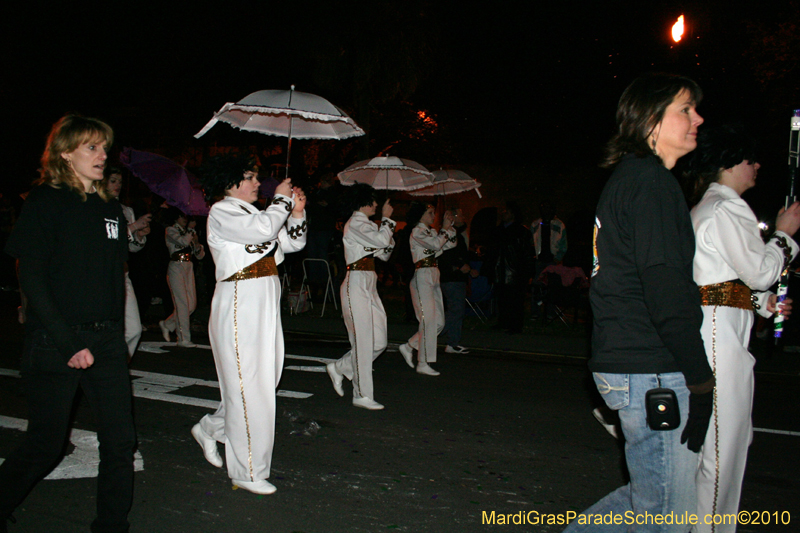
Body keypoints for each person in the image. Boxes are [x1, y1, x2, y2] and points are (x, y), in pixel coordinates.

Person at [564, 73, 715, 532]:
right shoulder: (650, 182)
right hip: (650, 366)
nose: (698, 119)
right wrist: (700, 379)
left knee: (653, 500)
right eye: (685, 109)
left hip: (632, 362)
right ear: (651, 119)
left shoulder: (631, 179)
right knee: (670, 514)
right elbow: (666, 289)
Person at [0, 115, 136, 533]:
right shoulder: (44, 201)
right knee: (46, 445)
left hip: (107, 338)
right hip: (56, 340)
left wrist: (115, 326)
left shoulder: (109, 206)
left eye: (104, 147)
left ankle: (110, 526)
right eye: (91, 147)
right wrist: (65, 341)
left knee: (120, 442)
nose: (102, 155)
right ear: (65, 153)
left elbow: (110, 272)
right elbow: (32, 276)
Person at [686, 124, 800, 533]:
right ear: (732, 162)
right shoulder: (727, 207)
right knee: (723, 448)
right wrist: (784, 236)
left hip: (715, 327)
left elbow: (715, 286)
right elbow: (759, 271)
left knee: (728, 441)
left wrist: (760, 303)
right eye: (751, 160)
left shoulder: (708, 206)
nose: (757, 167)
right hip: (720, 340)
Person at [190, 153, 306, 495]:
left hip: (265, 300)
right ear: (230, 183)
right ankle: (246, 470)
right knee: (249, 385)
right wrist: (282, 199)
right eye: (251, 177)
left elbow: (291, 243)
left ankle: (212, 427)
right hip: (240, 300)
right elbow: (266, 230)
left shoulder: (255, 213)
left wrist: (296, 211)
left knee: (263, 380)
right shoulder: (222, 211)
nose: (259, 183)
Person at [325, 184, 396, 410]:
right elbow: (381, 243)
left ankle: (340, 367)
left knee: (380, 342)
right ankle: (361, 394)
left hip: (369, 282)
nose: (376, 204)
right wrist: (386, 222)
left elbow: (383, 254)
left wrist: (386, 234)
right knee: (363, 342)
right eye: (373, 200)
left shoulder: (365, 225)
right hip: (355, 283)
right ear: (363, 202)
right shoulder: (355, 223)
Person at [398, 203, 456, 376]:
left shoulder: (430, 232)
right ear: (420, 215)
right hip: (422, 276)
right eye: (430, 213)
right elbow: (436, 245)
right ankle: (423, 362)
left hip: (433, 275)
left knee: (438, 322)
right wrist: (444, 231)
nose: (433, 216)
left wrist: (450, 228)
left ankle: (409, 346)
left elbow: (448, 245)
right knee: (428, 320)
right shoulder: (417, 231)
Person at [103, 167, 152, 359]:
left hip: (123, 275)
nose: (117, 185)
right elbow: (104, 240)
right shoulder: (96, 207)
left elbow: (132, 248)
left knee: (133, 330)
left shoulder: (126, 210)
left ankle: (118, 369)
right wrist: (132, 227)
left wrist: (139, 235)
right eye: (113, 180)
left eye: (120, 182)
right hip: (103, 276)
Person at [159, 209, 205, 348]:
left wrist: (197, 245)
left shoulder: (189, 233)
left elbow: (200, 255)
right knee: (182, 303)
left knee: (191, 304)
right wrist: (191, 232)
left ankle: (168, 324)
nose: (185, 219)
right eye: (182, 216)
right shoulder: (171, 230)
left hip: (188, 266)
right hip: (176, 266)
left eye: (187, 217)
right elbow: (182, 242)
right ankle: (183, 338)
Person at [487, 201, 532, 334]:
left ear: (513, 214)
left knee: (515, 300)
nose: (503, 213)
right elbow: (492, 252)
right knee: (501, 299)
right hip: (500, 271)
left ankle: (515, 325)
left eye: (506, 211)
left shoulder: (522, 232)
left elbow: (527, 254)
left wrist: (526, 273)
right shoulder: (497, 231)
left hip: (515, 273)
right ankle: (503, 322)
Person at [438, 208, 475, 353]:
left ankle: (453, 342)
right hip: (451, 277)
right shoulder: (450, 233)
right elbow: (447, 254)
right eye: (460, 214)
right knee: (456, 310)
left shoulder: (460, 233)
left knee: (457, 309)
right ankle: (432, 332)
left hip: (458, 277)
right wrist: (460, 266)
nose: (464, 216)